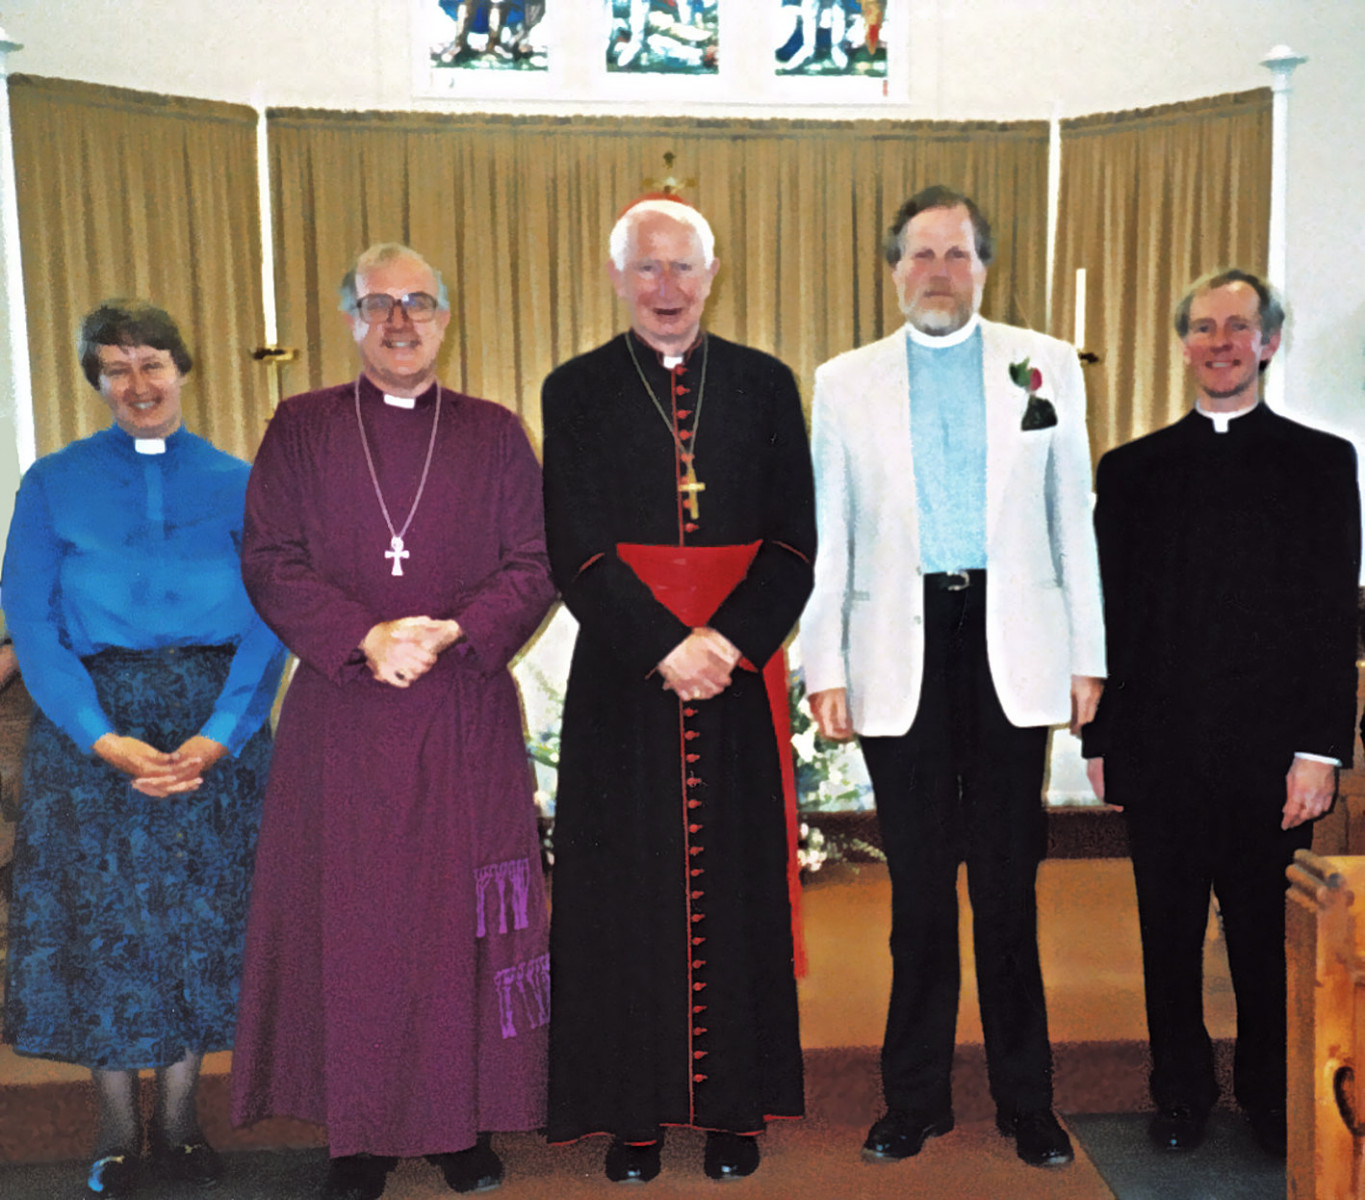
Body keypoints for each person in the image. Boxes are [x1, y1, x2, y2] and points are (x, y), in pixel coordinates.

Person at [229, 244, 555, 1200]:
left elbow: (534, 560)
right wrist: (366, 635)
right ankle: (358, 1135)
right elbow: (270, 558)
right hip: (346, 717)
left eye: (419, 303)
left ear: (446, 318)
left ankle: (463, 1125)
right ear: (350, 320)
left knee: (460, 924)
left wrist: (453, 629)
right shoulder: (299, 428)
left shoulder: (495, 434)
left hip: (461, 712)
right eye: (379, 305)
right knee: (358, 929)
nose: (400, 322)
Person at [801, 185, 1106, 1168]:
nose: (939, 271)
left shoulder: (1042, 364)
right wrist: (826, 665)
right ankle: (914, 1098)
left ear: (984, 266)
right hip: (901, 645)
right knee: (922, 896)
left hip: (1012, 643)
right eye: (921, 254)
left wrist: (1086, 655)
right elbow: (829, 535)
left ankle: (1029, 1101)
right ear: (894, 270)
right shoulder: (845, 381)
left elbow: (1073, 514)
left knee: (1009, 893)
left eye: (958, 254)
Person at [542, 195, 815, 1183]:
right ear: (618, 278)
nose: (666, 288)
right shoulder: (573, 391)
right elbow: (572, 546)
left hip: (736, 680)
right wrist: (665, 645)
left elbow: (794, 544)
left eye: (683, 268)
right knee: (622, 893)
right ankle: (634, 1114)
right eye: (647, 269)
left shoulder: (766, 385)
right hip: (625, 675)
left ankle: (733, 1110)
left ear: (712, 275)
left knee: (735, 886)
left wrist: (728, 643)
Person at [2, 301, 286, 1198]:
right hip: (92, 729)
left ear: (183, 369)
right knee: (108, 932)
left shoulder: (244, 482)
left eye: (152, 363)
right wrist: (101, 737)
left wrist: (221, 733)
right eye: (115, 368)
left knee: (198, 924)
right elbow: (33, 625)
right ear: (94, 381)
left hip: (217, 722)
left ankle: (183, 1127)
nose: (137, 384)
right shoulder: (51, 483)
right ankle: (119, 1134)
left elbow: (271, 620)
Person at [1082, 269, 1361, 1158]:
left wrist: (1319, 750)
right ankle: (1179, 1094)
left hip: (1269, 754)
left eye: (1237, 327)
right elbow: (1108, 615)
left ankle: (1270, 1096)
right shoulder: (1130, 471)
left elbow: (1329, 617)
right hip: (1159, 746)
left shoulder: (1322, 463)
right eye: (1202, 328)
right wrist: (1099, 738)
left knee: (1258, 937)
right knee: (1164, 937)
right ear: (1183, 344)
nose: (1219, 343)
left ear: (1268, 342)